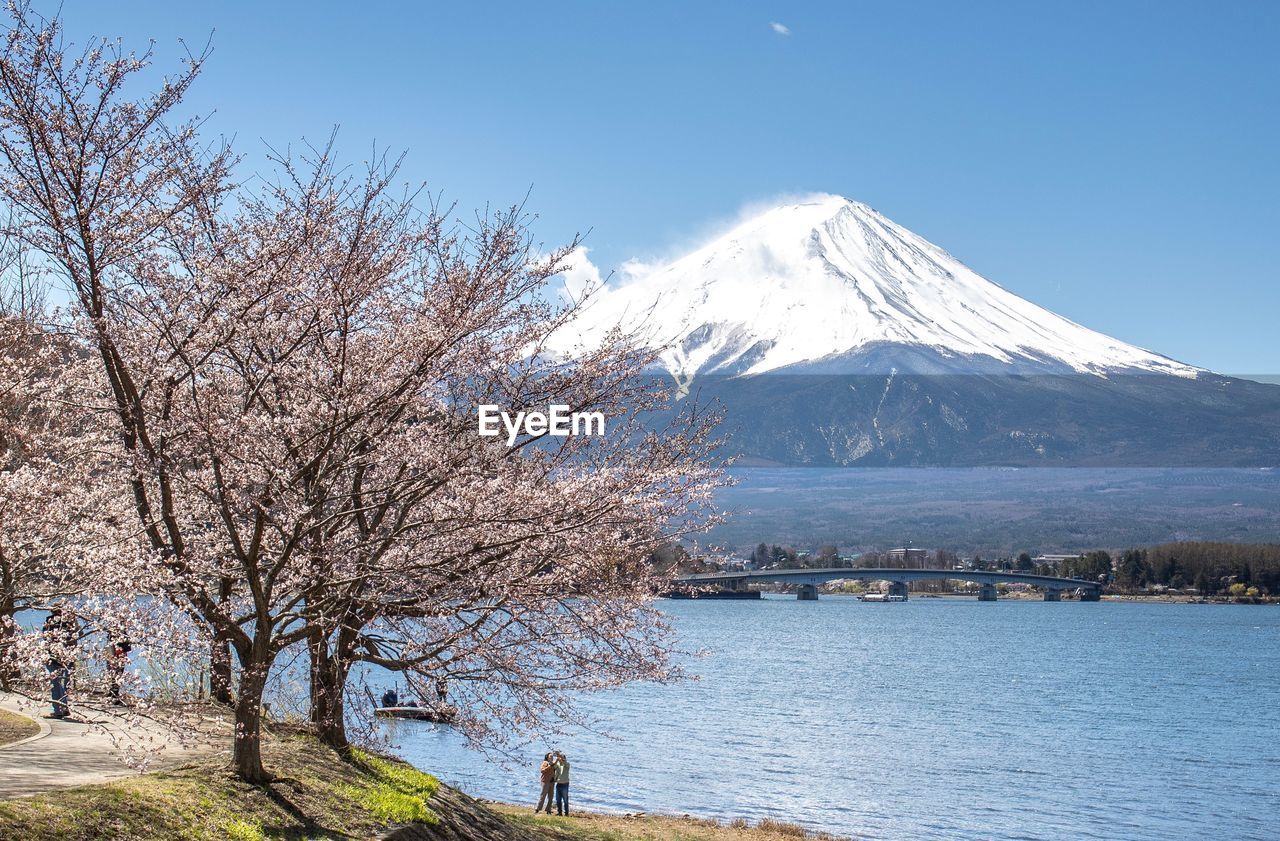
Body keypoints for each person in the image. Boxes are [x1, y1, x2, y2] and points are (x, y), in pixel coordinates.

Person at [42, 609, 78, 719]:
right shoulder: (69, 624)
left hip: (52, 656)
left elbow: (45, 638)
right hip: (64, 657)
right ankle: (63, 706)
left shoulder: (49, 623)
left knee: (55, 682)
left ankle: (57, 710)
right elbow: (75, 637)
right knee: (58, 682)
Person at [107, 633, 132, 705]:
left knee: (114, 676)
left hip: (115, 657)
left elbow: (128, 647)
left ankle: (112, 694)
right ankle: (113, 696)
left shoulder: (112, 632)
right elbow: (127, 647)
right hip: (117, 656)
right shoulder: (120, 633)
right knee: (116, 676)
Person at [553, 751, 571, 816]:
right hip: (558, 784)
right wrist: (556, 759)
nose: (560, 758)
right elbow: (553, 767)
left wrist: (561, 757)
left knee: (565, 800)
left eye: (561, 758)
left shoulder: (567, 764)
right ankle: (559, 812)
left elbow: (565, 762)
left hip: (565, 784)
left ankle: (566, 813)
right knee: (558, 799)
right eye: (559, 757)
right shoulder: (557, 764)